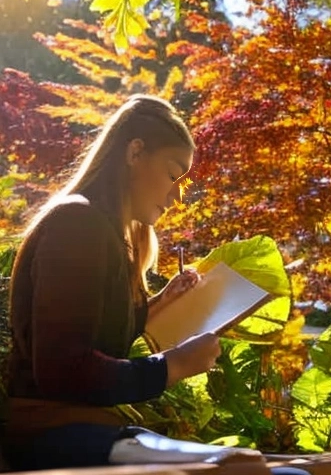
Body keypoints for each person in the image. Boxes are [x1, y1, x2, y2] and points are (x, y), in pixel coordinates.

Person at [3, 94, 224, 470]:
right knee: (240, 465)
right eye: (173, 175)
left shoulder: (106, 235)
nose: (177, 196)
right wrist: (172, 366)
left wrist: (163, 302)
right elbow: (63, 370)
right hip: (49, 435)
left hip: (82, 431)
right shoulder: (77, 223)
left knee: (252, 465)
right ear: (135, 152)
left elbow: (89, 333)